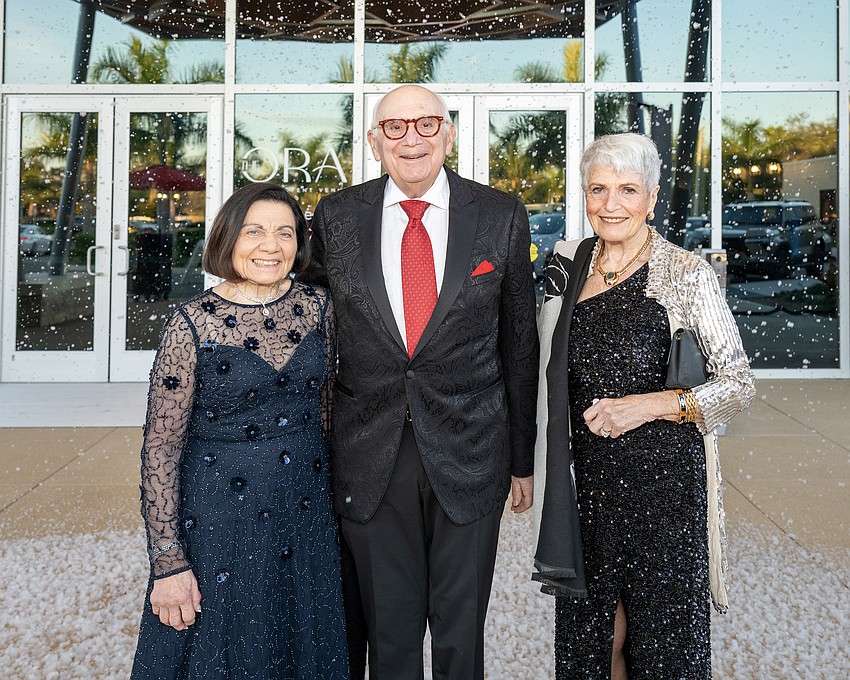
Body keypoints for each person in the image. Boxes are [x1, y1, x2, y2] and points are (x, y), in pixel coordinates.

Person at [305, 84, 539, 680]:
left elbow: (518, 344)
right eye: (396, 127)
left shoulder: (500, 213)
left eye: (428, 124)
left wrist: (521, 458)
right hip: (369, 451)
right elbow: (307, 321)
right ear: (374, 140)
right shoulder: (335, 216)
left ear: (450, 133)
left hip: (472, 449)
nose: (413, 138)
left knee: (462, 635)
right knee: (390, 634)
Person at [532, 133, 755, 679]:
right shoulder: (570, 266)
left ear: (652, 198)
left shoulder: (686, 274)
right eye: (598, 189)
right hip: (587, 488)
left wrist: (650, 405)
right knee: (592, 644)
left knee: (659, 646)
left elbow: (739, 384)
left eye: (627, 190)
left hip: (664, 493)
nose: (611, 205)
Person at [131, 182, 348, 678]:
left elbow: (328, 411)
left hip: (306, 515)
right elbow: (160, 450)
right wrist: (168, 563)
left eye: (284, 233)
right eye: (254, 231)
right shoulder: (190, 325)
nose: (271, 246)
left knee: (303, 646)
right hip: (221, 523)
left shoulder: (319, 307)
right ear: (228, 238)